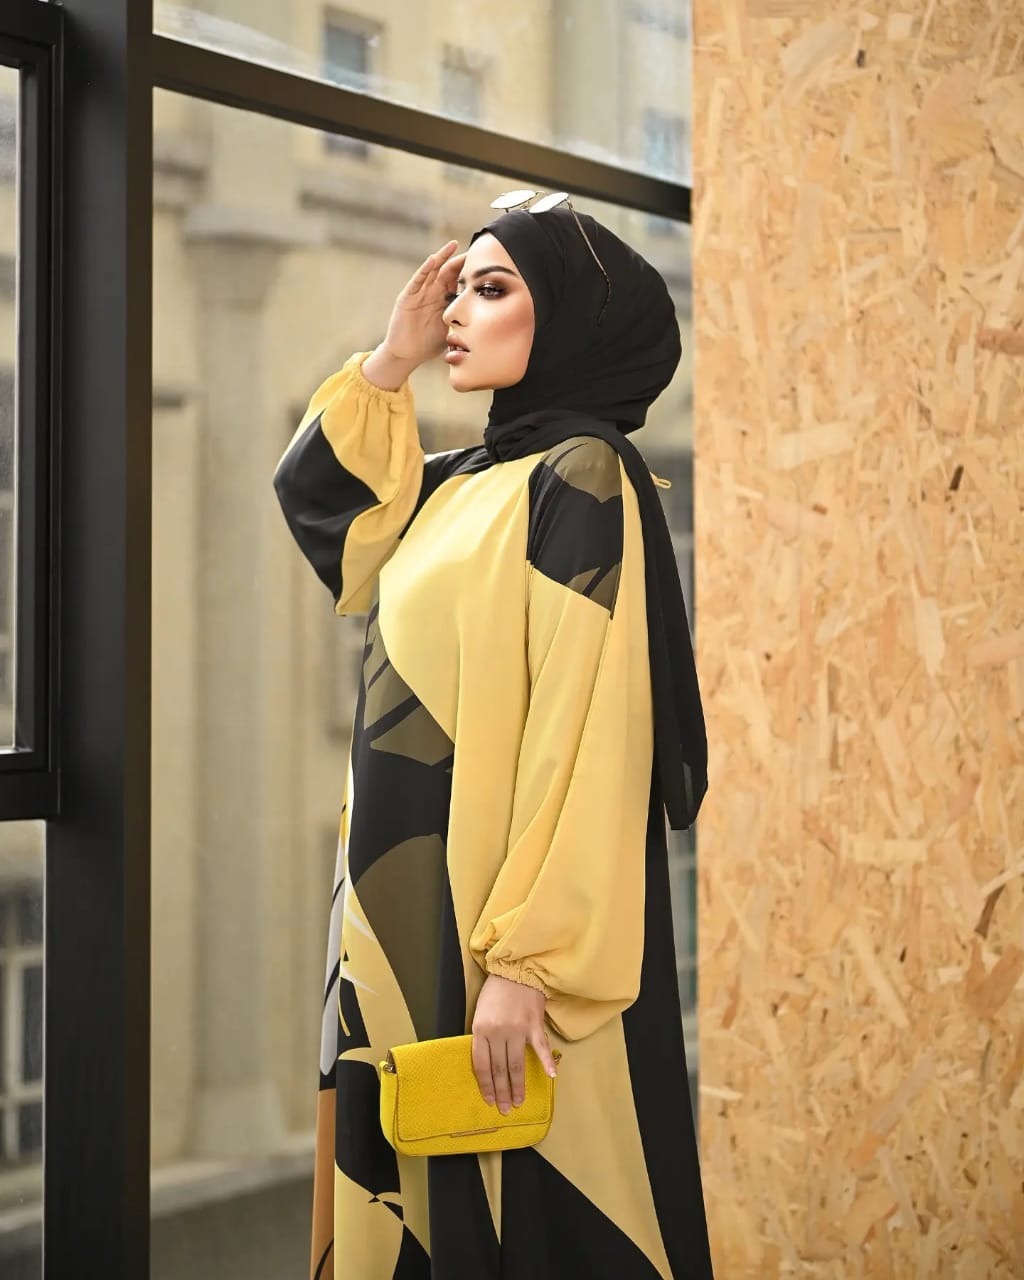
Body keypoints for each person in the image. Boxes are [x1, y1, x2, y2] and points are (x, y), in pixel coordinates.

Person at [273, 198, 713, 1280]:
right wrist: (391, 360)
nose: (457, 313)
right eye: (458, 287)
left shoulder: (583, 477)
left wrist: (527, 966)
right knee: (406, 1189)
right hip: (395, 916)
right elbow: (330, 516)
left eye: (493, 287)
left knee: (515, 1204)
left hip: (491, 936)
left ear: (566, 315)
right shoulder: (460, 482)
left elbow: (588, 729)